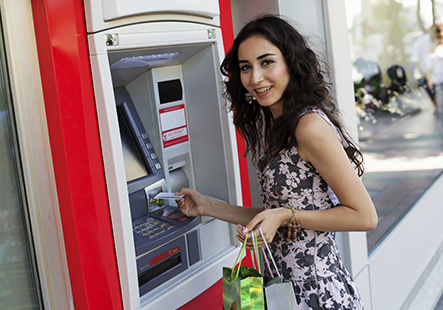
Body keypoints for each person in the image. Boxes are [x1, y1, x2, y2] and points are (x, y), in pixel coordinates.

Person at [176, 14, 377, 309]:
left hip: (317, 294)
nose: (255, 78)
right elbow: (275, 215)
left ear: (291, 64)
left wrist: (283, 215)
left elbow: (365, 216)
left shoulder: (308, 127)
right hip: (282, 291)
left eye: (266, 62)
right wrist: (207, 207)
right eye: (246, 67)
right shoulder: (277, 125)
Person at [411, 23, 442, 115]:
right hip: (427, 73)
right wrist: (422, 72)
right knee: (432, 93)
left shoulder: (439, 42)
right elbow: (415, 58)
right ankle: (436, 108)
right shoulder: (421, 42)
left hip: (439, 74)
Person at [427, 27, 443, 118]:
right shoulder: (432, 48)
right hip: (437, 78)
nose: (439, 39)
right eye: (437, 37)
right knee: (440, 100)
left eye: (440, 36)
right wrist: (429, 79)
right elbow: (430, 65)